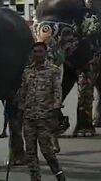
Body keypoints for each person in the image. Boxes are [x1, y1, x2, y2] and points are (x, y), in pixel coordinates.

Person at [18, 42, 65, 181]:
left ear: (45, 53)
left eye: (40, 52)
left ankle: (59, 174)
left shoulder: (53, 70)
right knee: (30, 152)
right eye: (35, 52)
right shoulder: (27, 71)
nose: (38, 54)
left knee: (47, 150)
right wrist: (18, 107)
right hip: (29, 117)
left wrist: (56, 109)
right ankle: (35, 177)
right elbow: (23, 92)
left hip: (45, 117)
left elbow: (57, 91)